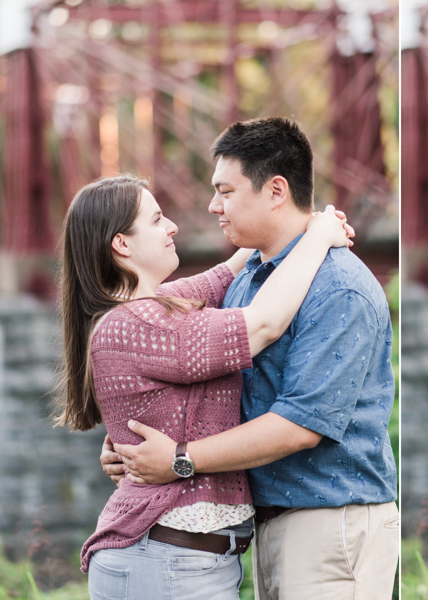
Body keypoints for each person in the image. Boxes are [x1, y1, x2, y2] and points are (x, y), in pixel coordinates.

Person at [101, 117, 399, 599]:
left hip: (330, 523)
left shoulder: (337, 287)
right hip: (269, 523)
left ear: (276, 190)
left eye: (226, 190)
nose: (212, 205)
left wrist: (179, 459)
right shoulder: (250, 278)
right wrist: (130, 437)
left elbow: (302, 424)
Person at [55, 175, 351, 599]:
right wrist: (319, 237)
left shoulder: (155, 307)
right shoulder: (136, 324)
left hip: (182, 563)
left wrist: (294, 222)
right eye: (157, 220)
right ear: (122, 244)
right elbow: (263, 323)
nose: (172, 227)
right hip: (166, 564)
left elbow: (224, 274)